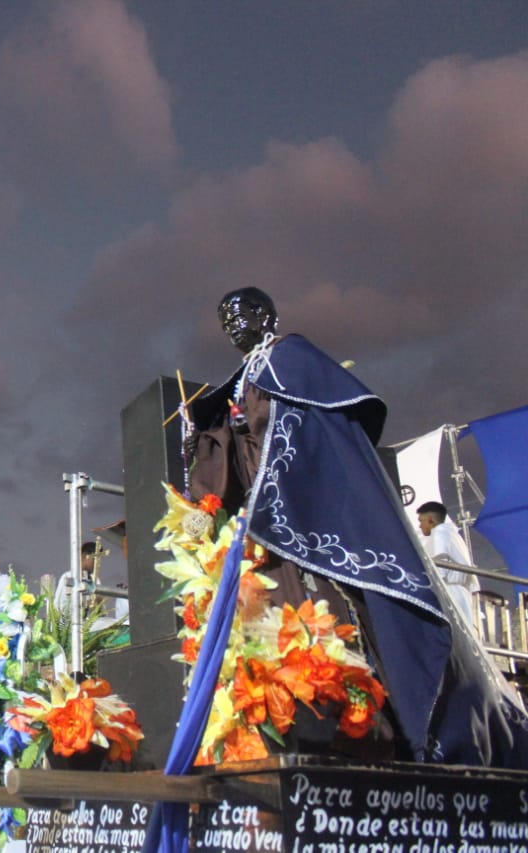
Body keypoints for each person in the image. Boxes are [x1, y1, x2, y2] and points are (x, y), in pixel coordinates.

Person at [185, 286, 528, 767]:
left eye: (242, 314)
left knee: (332, 610)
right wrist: (207, 441)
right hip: (266, 525)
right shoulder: (246, 376)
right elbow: (233, 440)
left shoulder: (293, 361)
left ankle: (363, 726)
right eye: (226, 320)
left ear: (267, 314)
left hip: (306, 516)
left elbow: (309, 440)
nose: (234, 326)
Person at [417, 501, 480, 628]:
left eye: (421, 521)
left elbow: (440, 572)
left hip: (450, 592)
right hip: (460, 591)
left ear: (430, 520)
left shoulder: (439, 535)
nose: (419, 526)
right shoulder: (452, 535)